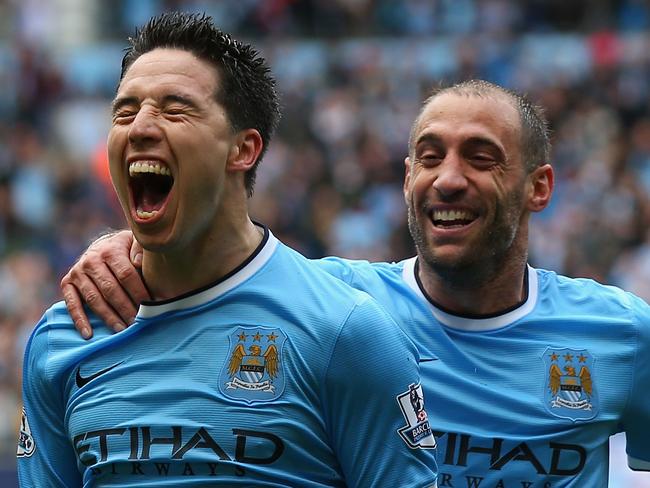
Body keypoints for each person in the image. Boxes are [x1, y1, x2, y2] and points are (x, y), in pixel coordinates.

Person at [61, 78, 650, 486]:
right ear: (405, 178)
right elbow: (212, 264)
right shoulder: (333, 305)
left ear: (539, 187)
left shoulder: (619, 333)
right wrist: (129, 243)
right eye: (428, 156)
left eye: (480, 157)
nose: (447, 179)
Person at [17, 12, 439, 487]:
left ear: (243, 150)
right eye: (124, 112)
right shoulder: (63, 336)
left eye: (175, 110)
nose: (139, 128)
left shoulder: (345, 331)